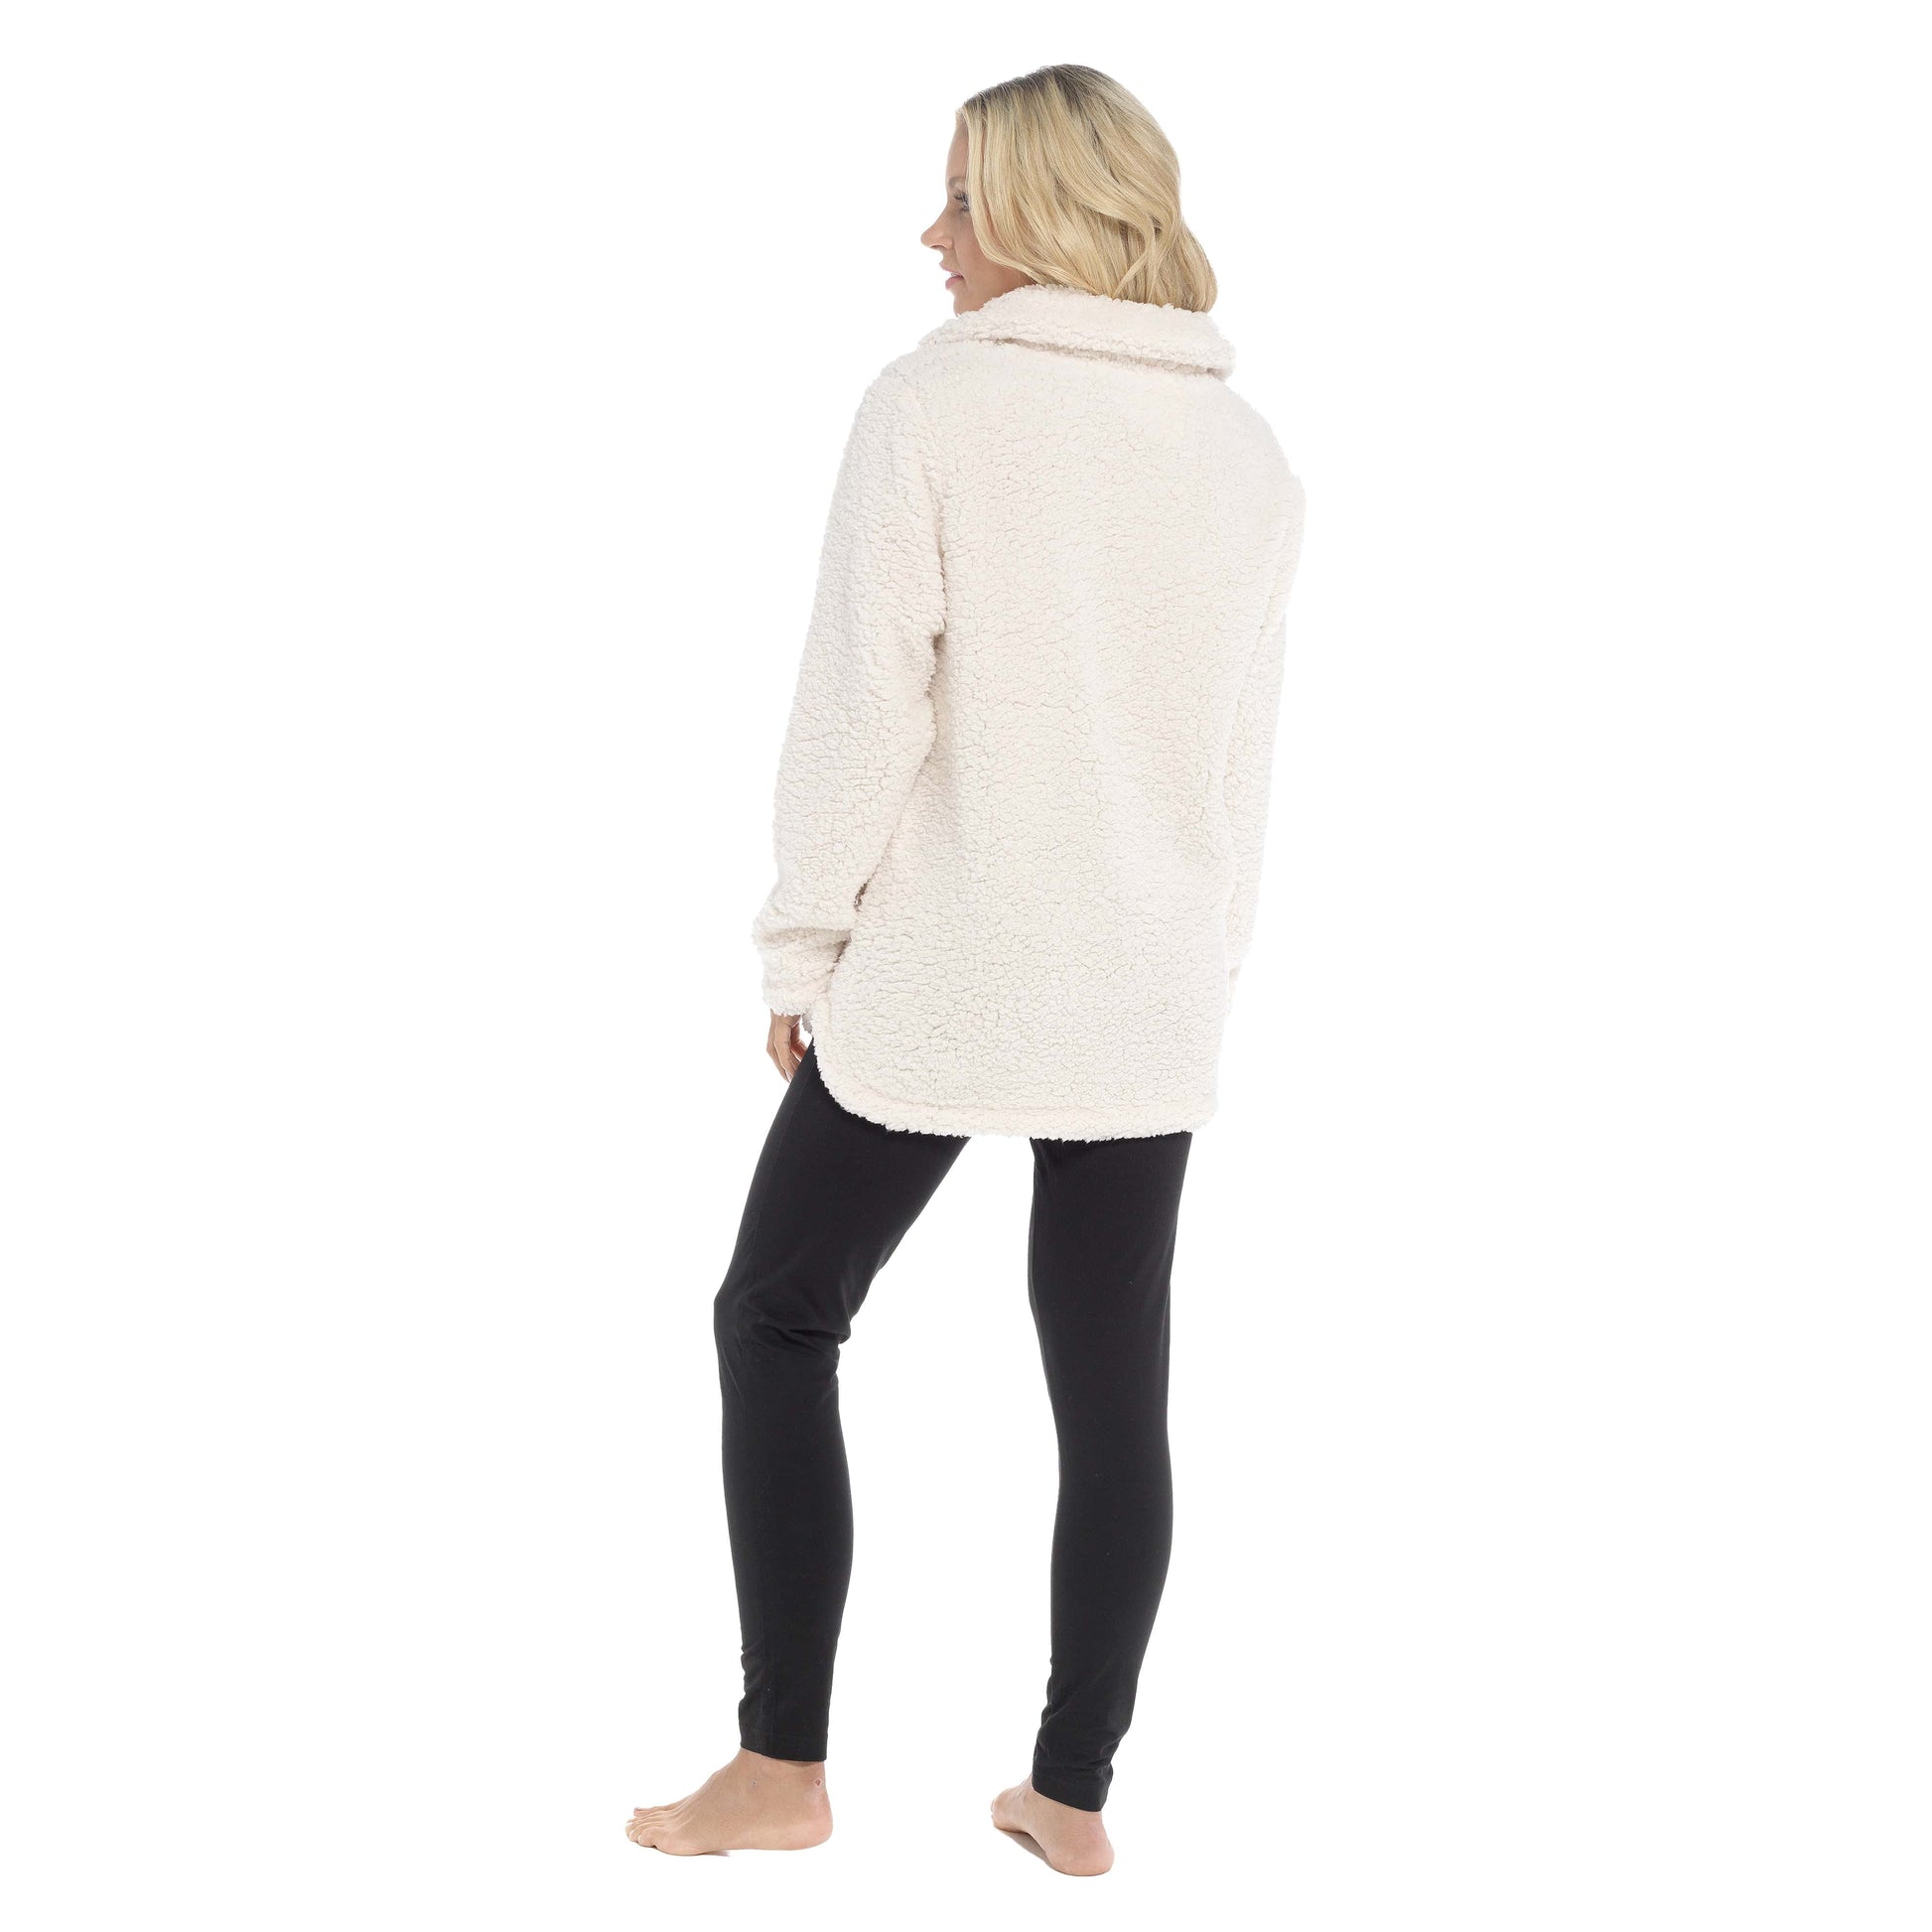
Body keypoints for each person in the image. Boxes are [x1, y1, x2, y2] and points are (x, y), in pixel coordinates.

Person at [629, 64, 1307, 1878]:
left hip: (951, 967)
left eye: (956, 196)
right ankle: (1071, 1794)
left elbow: (863, 702)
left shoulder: (934, 404)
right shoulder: (1245, 453)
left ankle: (780, 1766)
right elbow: (1237, 764)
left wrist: (801, 939)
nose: (928, 234)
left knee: (775, 1315)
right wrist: (1204, 968)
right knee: (1112, 1395)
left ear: (1038, 207)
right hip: (1146, 982)